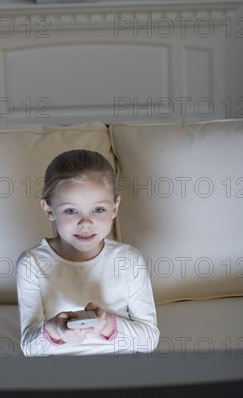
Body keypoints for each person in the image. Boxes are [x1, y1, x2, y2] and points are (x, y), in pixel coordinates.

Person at [16, 149, 160, 356]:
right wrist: (55, 331)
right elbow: (30, 348)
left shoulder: (129, 260)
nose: (85, 222)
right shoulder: (32, 263)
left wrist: (107, 325)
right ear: (48, 210)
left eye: (98, 209)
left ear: (115, 207)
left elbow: (149, 340)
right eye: (71, 210)